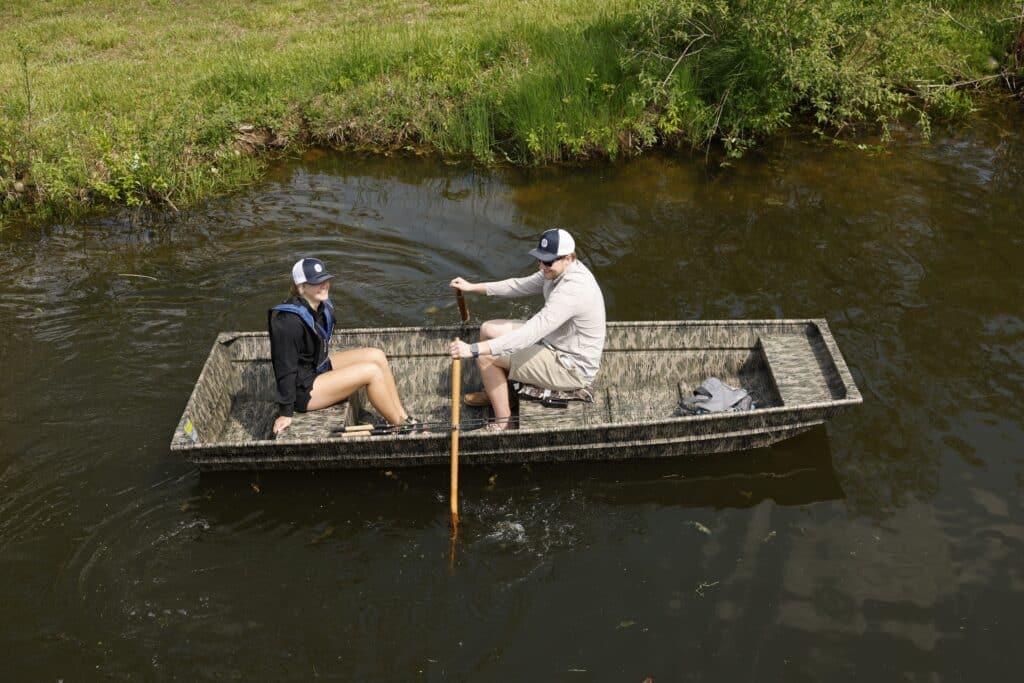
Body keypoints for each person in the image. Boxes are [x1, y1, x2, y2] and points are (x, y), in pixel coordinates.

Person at [449, 228, 606, 431]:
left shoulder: (572, 290)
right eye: (539, 260)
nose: (542, 266)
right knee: (488, 329)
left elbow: (529, 333)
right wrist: (473, 287)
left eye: (547, 261)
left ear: (568, 258)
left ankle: (503, 423)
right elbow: (518, 286)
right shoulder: (556, 271)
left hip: (570, 366)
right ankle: (498, 392)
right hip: (554, 341)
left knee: (486, 356)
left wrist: (473, 350)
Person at [269, 257, 419, 435]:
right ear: (301, 286)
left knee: (376, 355)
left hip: (318, 369)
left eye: (325, 279)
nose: (324, 285)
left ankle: (404, 417)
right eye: (317, 282)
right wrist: (285, 412)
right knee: (371, 371)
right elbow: (283, 367)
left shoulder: (320, 305)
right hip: (303, 390)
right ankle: (402, 428)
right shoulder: (288, 322)